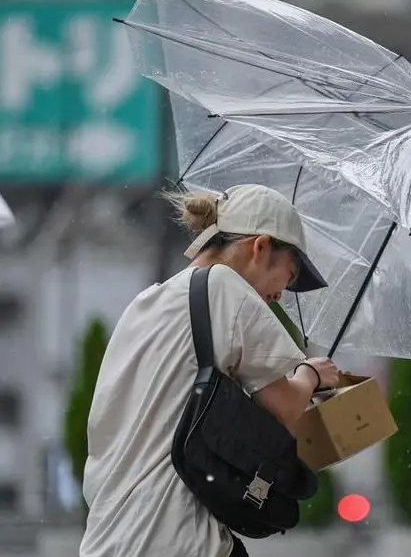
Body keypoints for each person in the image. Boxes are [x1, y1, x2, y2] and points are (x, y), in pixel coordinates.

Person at [79, 183, 340, 557]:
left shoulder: (147, 302)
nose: (283, 293)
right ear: (261, 246)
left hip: (110, 538)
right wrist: (311, 376)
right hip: (175, 538)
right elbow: (283, 407)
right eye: (290, 272)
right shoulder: (226, 288)